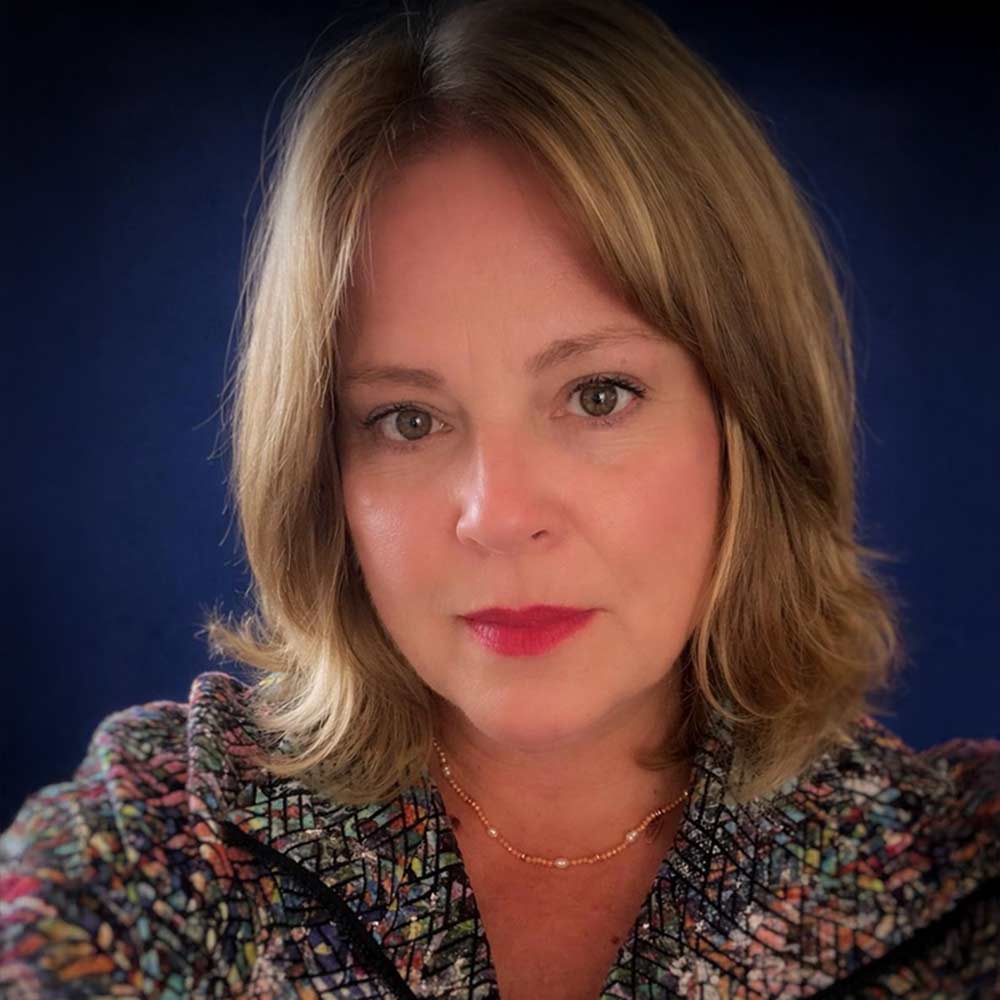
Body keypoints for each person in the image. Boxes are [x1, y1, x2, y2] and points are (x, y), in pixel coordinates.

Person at [2, 0, 997, 997]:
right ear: (320, 468)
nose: (498, 514)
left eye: (597, 395)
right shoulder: (157, 851)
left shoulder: (961, 888)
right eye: (407, 419)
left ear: (749, 418)